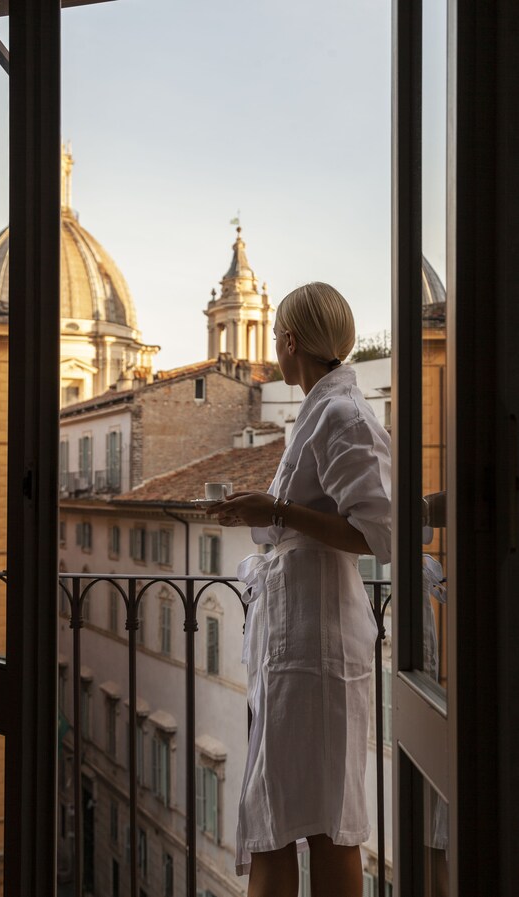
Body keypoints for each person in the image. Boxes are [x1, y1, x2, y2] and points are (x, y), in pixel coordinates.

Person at [206, 282, 391, 897]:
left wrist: (278, 510)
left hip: (319, 645)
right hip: (297, 640)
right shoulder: (320, 412)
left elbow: (380, 533)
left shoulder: (343, 415)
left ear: (286, 341)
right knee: (281, 816)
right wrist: (264, 513)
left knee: (326, 823)